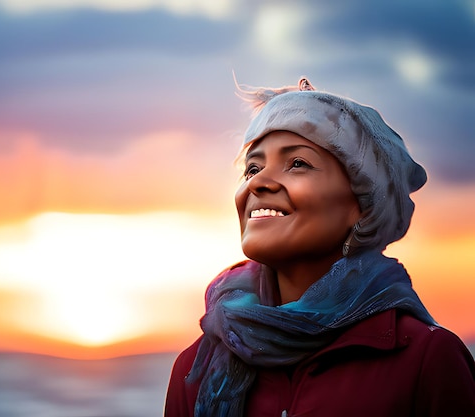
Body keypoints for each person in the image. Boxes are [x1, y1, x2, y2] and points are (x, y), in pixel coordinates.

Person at [164, 78, 475, 417]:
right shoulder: (193, 370)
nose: (258, 182)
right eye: (252, 168)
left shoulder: (425, 358)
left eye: (297, 163)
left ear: (363, 205)